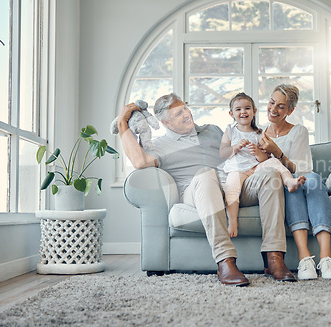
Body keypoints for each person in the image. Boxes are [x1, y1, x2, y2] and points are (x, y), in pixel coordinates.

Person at [117, 93, 297, 286]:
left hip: (232, 187)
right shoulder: (160, 146)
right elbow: (140, 161)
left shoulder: (213, 130)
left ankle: (274, 258)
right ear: (166, 123)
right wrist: (122, 124)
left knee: (269, 173)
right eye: (178, 114)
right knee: (206, 174)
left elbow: (241, 151)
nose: (186, 114)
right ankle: (225, 261)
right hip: (197, 191)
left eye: (185, 108)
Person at [258, 84, 331, 280]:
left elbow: (303, 169)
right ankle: (305, 259)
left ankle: (326, 258)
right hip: (279, 186)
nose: (273, 109)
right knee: (288, 186)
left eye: (281, 106)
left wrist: (278, 152)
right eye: (271, 102)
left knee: (312, 180)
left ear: (290, 110)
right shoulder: (258, 134)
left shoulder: (298, 131)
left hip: (302, 179)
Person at [220, 92, 306, 238]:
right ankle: (233, 221)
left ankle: (289, 181)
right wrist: (235, 148)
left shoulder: (259, 133)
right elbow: (222, 153)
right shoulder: (230, 131)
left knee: (273, 161)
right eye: (238, 109)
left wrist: (257, 153)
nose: (243, 112)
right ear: (231, 113)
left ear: (254, 111)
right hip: (237, 170)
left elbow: (265, 159)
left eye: (247, 108)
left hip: (255, 171)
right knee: (232, 186)